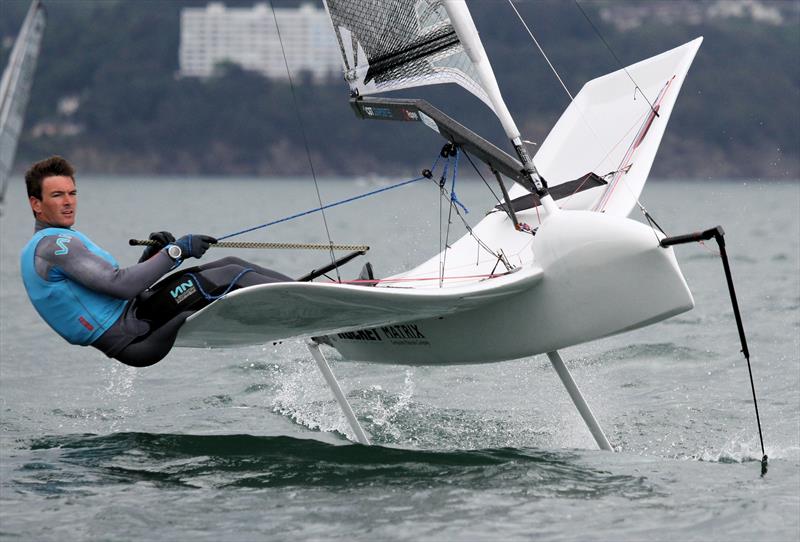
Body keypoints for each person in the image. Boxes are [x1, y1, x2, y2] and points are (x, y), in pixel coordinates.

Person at [20, 156, 293, 367]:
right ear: (36, 204)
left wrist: (150, 257)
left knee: (230, 263)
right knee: (229, 275)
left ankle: (303, 292)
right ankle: (307, 304)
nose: (69, 202)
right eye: (58, 195)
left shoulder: (56, 241)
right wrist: (176, 252)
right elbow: (120, 286)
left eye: (72, 193)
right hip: (136, 334)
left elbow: (112, 290)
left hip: (139, 313)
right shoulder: (54, 246)